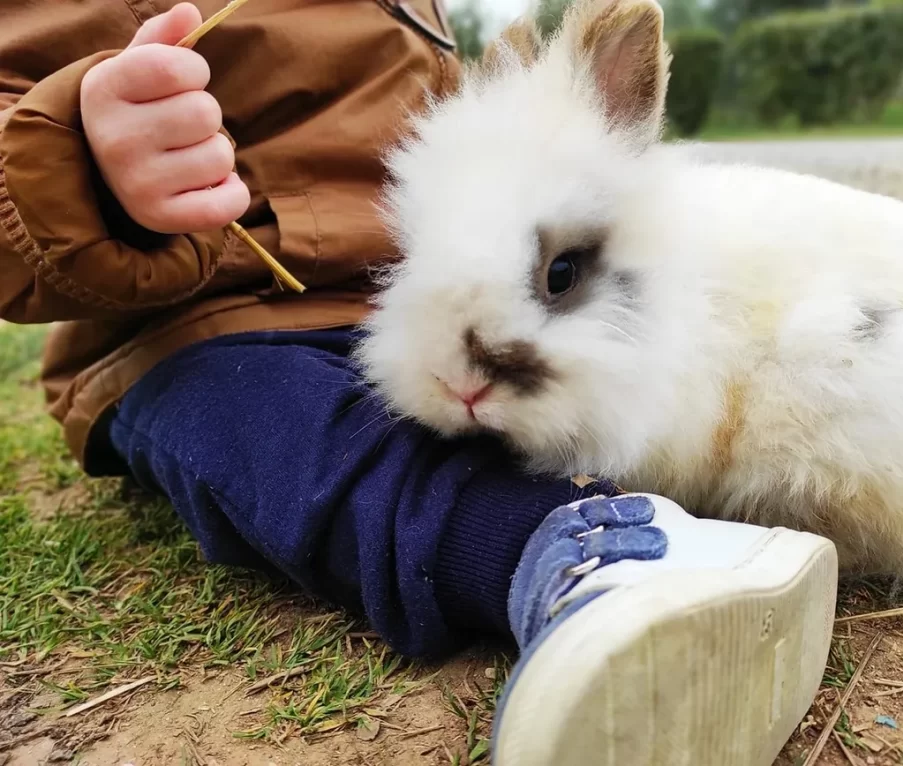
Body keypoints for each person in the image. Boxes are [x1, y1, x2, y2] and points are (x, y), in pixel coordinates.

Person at [0, 2, 839, 763]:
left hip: (393, 293)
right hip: (198, 317)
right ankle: (580, 550)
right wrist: (80, 168)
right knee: (272, 425)